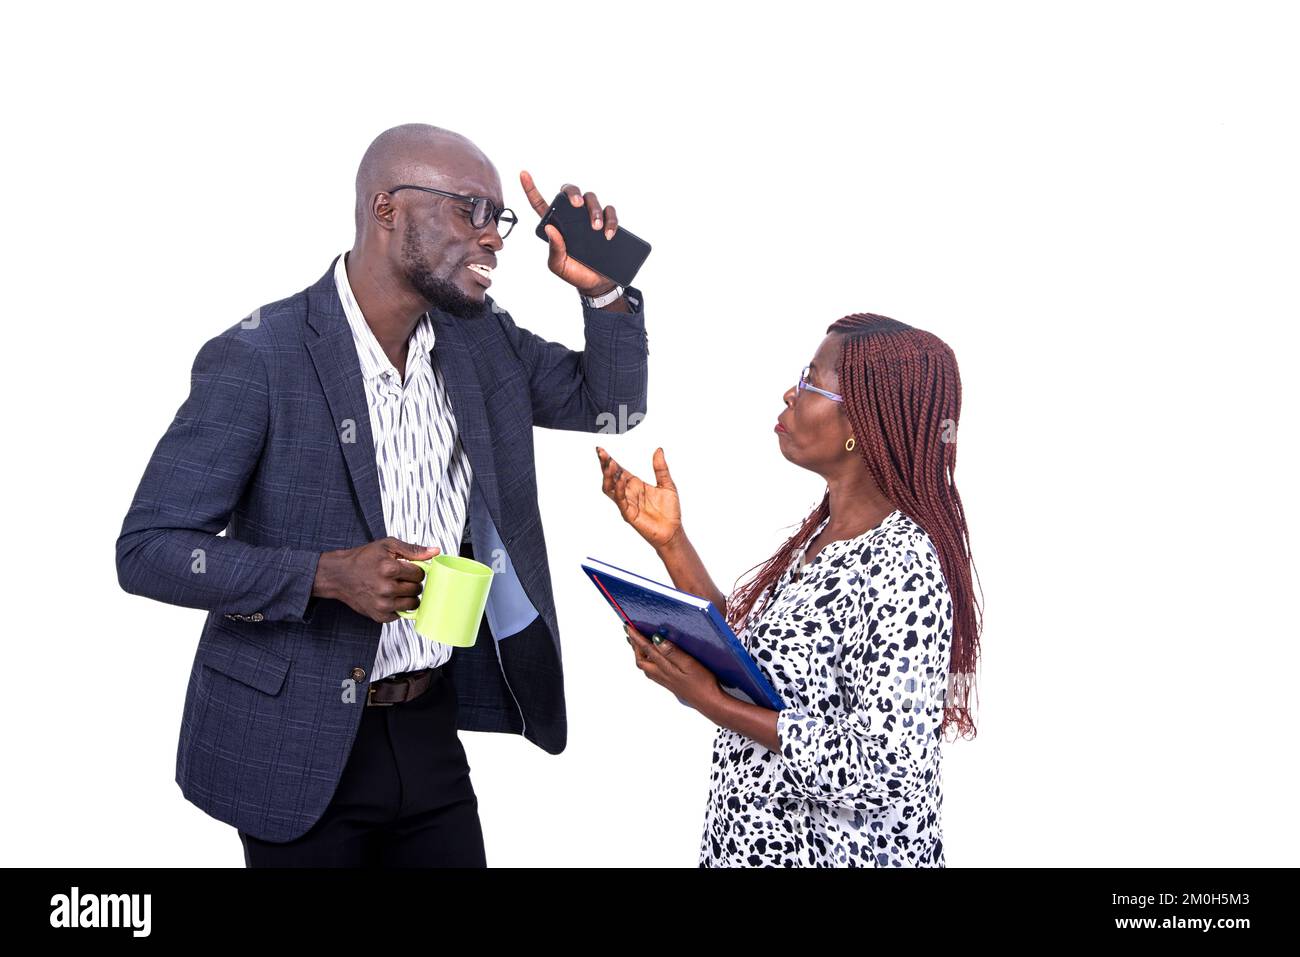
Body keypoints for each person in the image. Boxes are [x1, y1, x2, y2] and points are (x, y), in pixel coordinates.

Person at [116, 123, 649, 866]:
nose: (493, 237)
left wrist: (607, 291)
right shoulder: (259, 357)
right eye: (470, 210)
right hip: (291, 741)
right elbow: (148, 551)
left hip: (429, 724)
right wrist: (324, 575)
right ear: (387, 208)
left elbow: (611, 405)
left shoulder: (480, 341)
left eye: (499, 218)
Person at [595, 314, 980, 867]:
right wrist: (671, 542)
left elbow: (889, 767)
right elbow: (756, 669)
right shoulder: (823, 534)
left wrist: (713, 704)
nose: (789, 392)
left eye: (810, 378)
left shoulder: (903, 563)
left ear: (863, 421)